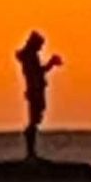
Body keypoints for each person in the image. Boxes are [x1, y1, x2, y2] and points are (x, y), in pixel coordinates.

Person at [15, 30, 63, 159]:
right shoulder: (30, 57)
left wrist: (50, 64)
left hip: (36, 89)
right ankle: (30, 151)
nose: (41, 48)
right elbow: (37, 73)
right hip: (35, 90)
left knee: (36, 119)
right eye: (40, 45)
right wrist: (51, 63)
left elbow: (38, 72)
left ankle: (31, 151)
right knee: (34, 120)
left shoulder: (30, 57)